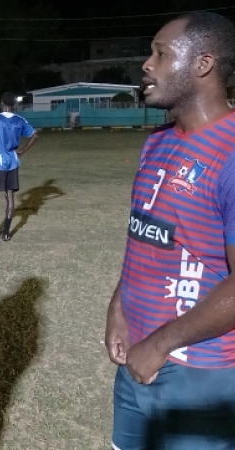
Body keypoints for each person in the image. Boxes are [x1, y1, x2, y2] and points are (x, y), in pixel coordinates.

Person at [104, 11, 235, 450]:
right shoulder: (157, 141)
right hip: (138, 363)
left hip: (201, 374)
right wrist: (118, 307)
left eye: (161, 54)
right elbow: (146, 235)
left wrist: (160, 344)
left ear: (203, 64)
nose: (146, 64)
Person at [0, 92, 38, 242]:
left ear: (1, 103)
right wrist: (23, 150)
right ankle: (6, 233)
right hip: (12, 162)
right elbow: (35, 135)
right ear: (14, 105)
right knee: (9, 197)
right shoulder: (20, 120)